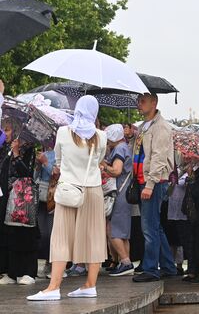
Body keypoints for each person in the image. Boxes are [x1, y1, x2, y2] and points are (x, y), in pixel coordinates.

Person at [27, 96, 108, 301]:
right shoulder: (102, 136)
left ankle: (53, 287)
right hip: (93, 189)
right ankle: (90, 285)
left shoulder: (64, 132)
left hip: (69, 189)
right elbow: (98, 161)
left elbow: (59, 161)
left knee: (61, 237)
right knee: (94, 236)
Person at [131, 93, 177, 282]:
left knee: (149, 227)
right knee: (154, 226)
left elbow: (158, 158)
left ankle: (151, 268)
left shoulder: (161, 127)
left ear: (154, 102)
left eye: (143, 101)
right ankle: (167, 265)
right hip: (143, 180)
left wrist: (149, 184)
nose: (139, 104)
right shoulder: (143, 127)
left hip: (154, 181)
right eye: (138, 101)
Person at [0, 117, 39, 286]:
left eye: (8, 130)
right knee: (9, 234)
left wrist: (16, 154)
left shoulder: (28, 149)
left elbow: (26, 173)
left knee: (25, 233)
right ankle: (11, 271)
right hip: (7, 197)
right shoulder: (4, 149)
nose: (5, 133)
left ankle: (28, 271)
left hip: (23, 197)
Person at [101, 124, 134, 277]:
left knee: (113, 231)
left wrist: (104, 167)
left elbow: (117, 170)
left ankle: (126, 262)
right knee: (123, 233)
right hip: (125, 193)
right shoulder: (125, 147)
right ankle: (124, 262)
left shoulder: (119, 149)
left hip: (119, 193)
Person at [35, 147, 56, 278]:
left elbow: (56, 173)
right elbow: (35, 177)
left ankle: (54, 263)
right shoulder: (41, 152)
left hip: (53, 196)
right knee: (42, 232)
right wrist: (38, 166)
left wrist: (46, 163)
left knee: (52, 232)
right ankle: (48, 261)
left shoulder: (59, 153)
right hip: (41, 196)